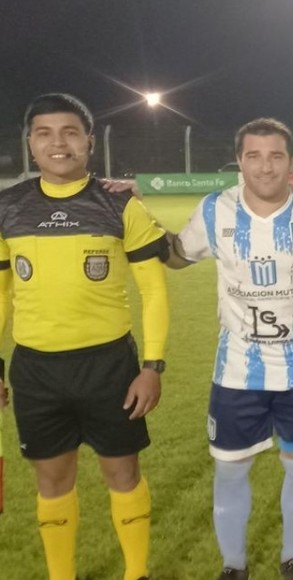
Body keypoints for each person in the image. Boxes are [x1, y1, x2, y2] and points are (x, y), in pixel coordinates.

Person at [166, 117, 293, 580]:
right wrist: (132, 215)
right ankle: (234, 566)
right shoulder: (216, 210)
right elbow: (176, 255)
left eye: (276, 156)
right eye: (253, 156)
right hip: (237, 370)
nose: (265, 166)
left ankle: (292, 558)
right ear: (239, 160)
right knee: (231, 470)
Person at [0, 93, 169, 580]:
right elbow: (2, 295)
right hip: (36, 369)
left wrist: (152, 367)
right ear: (30, 143)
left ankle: (136, 573)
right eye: (45, 133)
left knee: (123, 473)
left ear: (90, 142)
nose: (59, 143)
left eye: (70, 132)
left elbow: (154, 291)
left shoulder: (119, 205)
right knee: (52, 480)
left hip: (109, 366)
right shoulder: (7, 207)